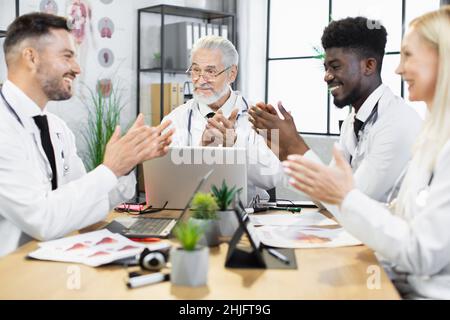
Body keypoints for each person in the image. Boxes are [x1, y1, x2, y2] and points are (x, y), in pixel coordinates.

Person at [284, 6, 450, 299]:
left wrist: (293, 148)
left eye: (409, 55)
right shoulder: (431, 134)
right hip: (399, 274)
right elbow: (399, 214)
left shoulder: (410, 128)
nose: (398, 69)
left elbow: (422, 252)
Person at [0, 13, 174, 256]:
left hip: (54, 262)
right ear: (31, 57)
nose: (77, 68)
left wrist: (125, 165)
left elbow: (85, 203)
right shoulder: (3, 127)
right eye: (67, 56)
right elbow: (42, 220)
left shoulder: (57, 127)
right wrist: (110, 169)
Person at [249, 17, 423, 203]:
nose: (327, 76)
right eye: (325, 68)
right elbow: (324, 198)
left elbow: (349, 203)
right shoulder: (352, 121)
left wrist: (294, 144)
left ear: (369, 66)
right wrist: (283, 150)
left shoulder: (396, 122)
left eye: (336, 66)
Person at [163, 35, 282, 202]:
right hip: (192, 215)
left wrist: (235, 145)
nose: (200, 80)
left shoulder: (261, 116)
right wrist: (201, 151)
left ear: (232, 74)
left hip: (250, 216)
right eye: (196, 70)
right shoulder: (176, 119)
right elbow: (166, 181)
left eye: (210, 71)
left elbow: (271, 177)